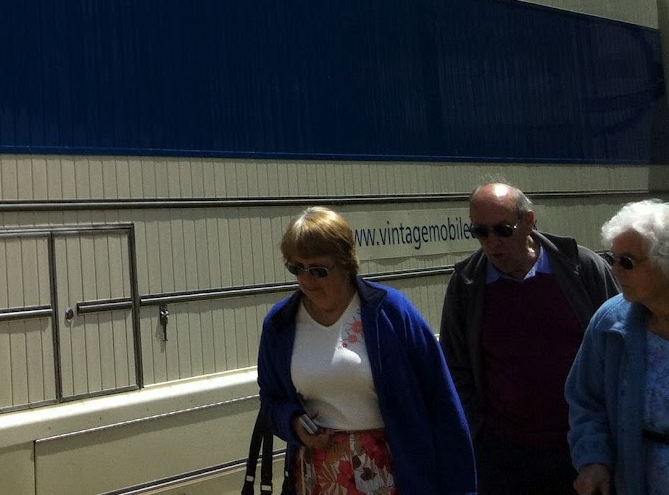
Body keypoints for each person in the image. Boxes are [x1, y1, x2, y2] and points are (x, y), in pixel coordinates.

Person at [257, 206, 475, 494]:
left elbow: (442, 401)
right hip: (316, 476)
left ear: (346, 262)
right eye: (296, 268)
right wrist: (293, 422)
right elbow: (270, 399)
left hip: (393, 472)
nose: (306, 280)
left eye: (319, 270)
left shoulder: (391, 311)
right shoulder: (280, 323)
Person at [439, 182, 617, 494]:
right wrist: (478, 433)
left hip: (582, 449)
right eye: (480, 232)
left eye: (503, 230)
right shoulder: (467, 285)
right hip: (505, 455)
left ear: (529, 221)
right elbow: (455, 366)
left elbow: (619, 345)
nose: (492, 242)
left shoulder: (581, 268)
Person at [567, 199, 669, 495]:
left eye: (627, 262)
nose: (614, 270)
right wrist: (594, 459)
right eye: (611, 258)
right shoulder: (609, 323)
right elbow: (586, 401)